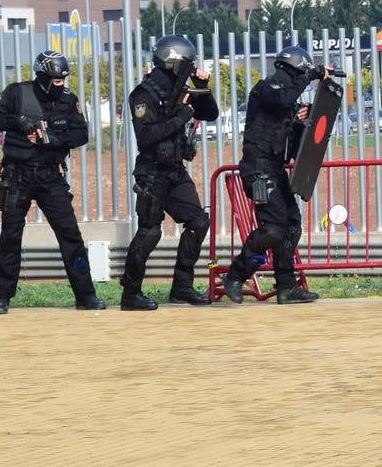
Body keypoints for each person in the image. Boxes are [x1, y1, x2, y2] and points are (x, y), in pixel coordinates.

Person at [0, 50, 105, 313]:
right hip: (18, 175)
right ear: (42, 76)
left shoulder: (68, 100)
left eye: (63, 79)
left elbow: (82, 134)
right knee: (11, 236)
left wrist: (54, 140)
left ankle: (85, 296)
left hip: (51, 176)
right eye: (56, 79)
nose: (60, 84)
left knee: (70, 234)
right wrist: (18, 121)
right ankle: (2, 297)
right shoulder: (17, 92)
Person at [220, 45, 330, 305]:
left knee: (291, 226)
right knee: (272, 230)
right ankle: (235, 276)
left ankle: (286, 287)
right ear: (295, 69)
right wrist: (313, 74)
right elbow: (282, 97)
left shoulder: (287, 108)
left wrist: (302, 124)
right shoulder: (268, 88)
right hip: (258, 169)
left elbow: (291, 150)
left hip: (275, 170)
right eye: (302, 73)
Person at [118, 35, 219, 310]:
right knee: (150, 231)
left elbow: (211, 114)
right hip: (151, 172)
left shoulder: (182, 89)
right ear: (173, 61)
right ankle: (130, 294)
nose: (191, 67)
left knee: (198, 222)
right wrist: (179, 118)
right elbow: (147, 136)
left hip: (175, 170)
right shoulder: (144, 94)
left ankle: (182, 287)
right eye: (187, 63)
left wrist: (202, 87)